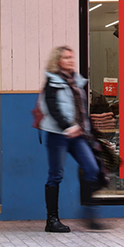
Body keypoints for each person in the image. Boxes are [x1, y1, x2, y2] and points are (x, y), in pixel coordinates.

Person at [38, 46, 104, 232]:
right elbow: (51, 108)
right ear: (58, 61)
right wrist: (67, 126)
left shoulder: (77, 81)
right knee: (56, 175)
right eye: (66, 57)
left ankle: (89, 215)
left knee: (92, 169)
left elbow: (81, 109)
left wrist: (89, 130)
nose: (70, 60)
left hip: (78, 135)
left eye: (71, 57)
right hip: (57, 135)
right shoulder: (52, 82)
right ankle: (52, 220)